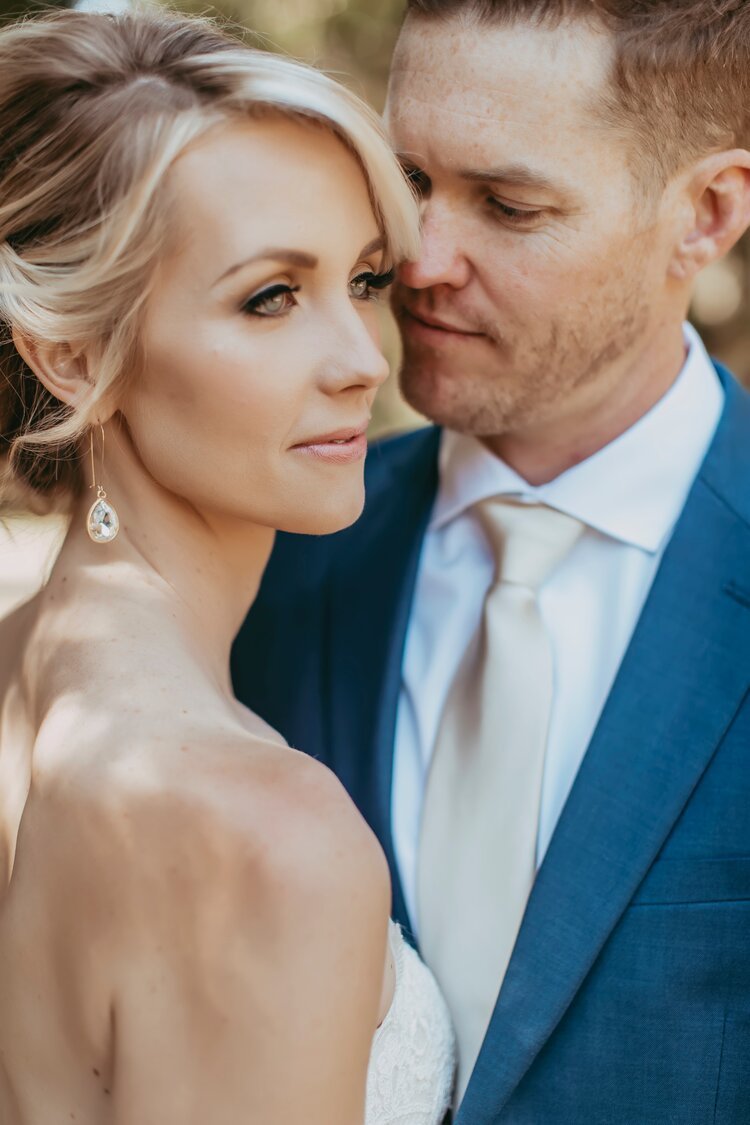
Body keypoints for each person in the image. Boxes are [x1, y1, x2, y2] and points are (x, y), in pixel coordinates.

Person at [233, 1, 750, 1121]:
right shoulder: (270, 563)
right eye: (406, 178)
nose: (417, 258)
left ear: (706, 214)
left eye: (510, 206)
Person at [0, 10, 457, 1124]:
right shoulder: (263, 833)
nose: (363, 361)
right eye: (270, 297)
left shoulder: (24, 674)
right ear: (74, 356)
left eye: (363, 280)